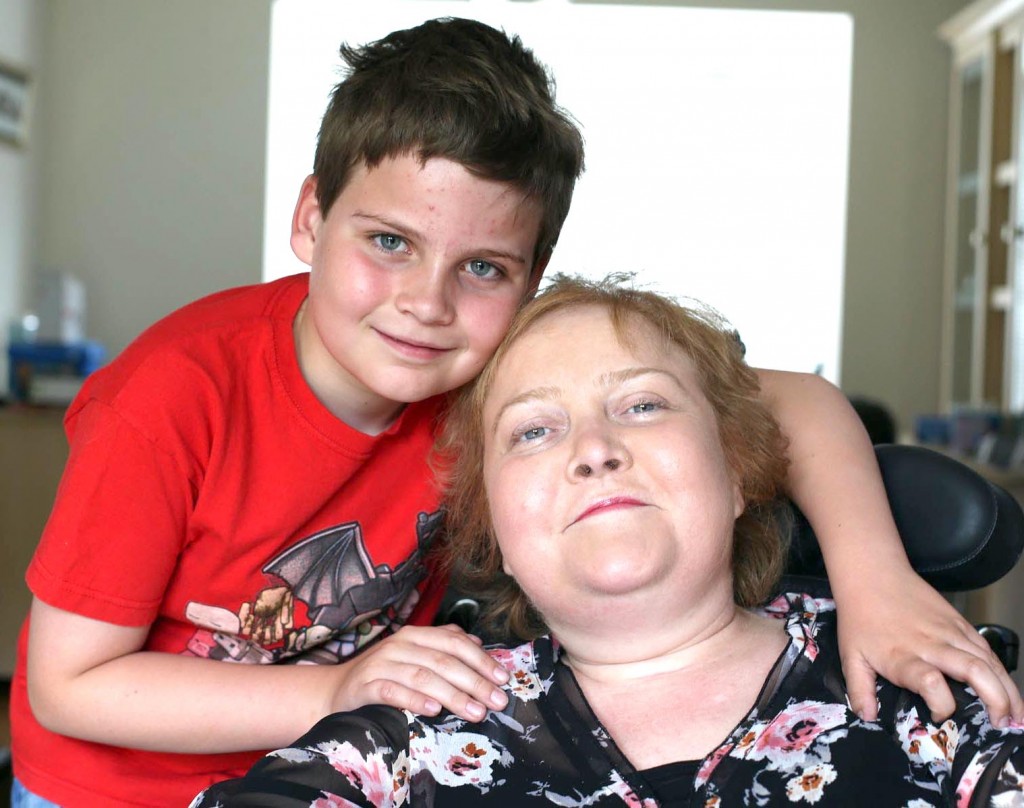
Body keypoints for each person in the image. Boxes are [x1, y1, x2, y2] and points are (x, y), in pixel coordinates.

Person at [9, 16, 1020, 808]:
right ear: (311, 216)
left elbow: (785, 402)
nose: (427, 301)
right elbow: (71, 682)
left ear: (528, 279)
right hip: (111, 781)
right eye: (389, 242)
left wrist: (877, 579)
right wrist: (329, 690)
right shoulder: (174, 397)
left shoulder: (490, 370)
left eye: (482, 266)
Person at [193, 274, 1024, 806]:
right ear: (495, 533)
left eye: (643, 405)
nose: (594, 448)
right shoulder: (416, 729)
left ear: (740, 472)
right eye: (533, 431)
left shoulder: (918, 692)